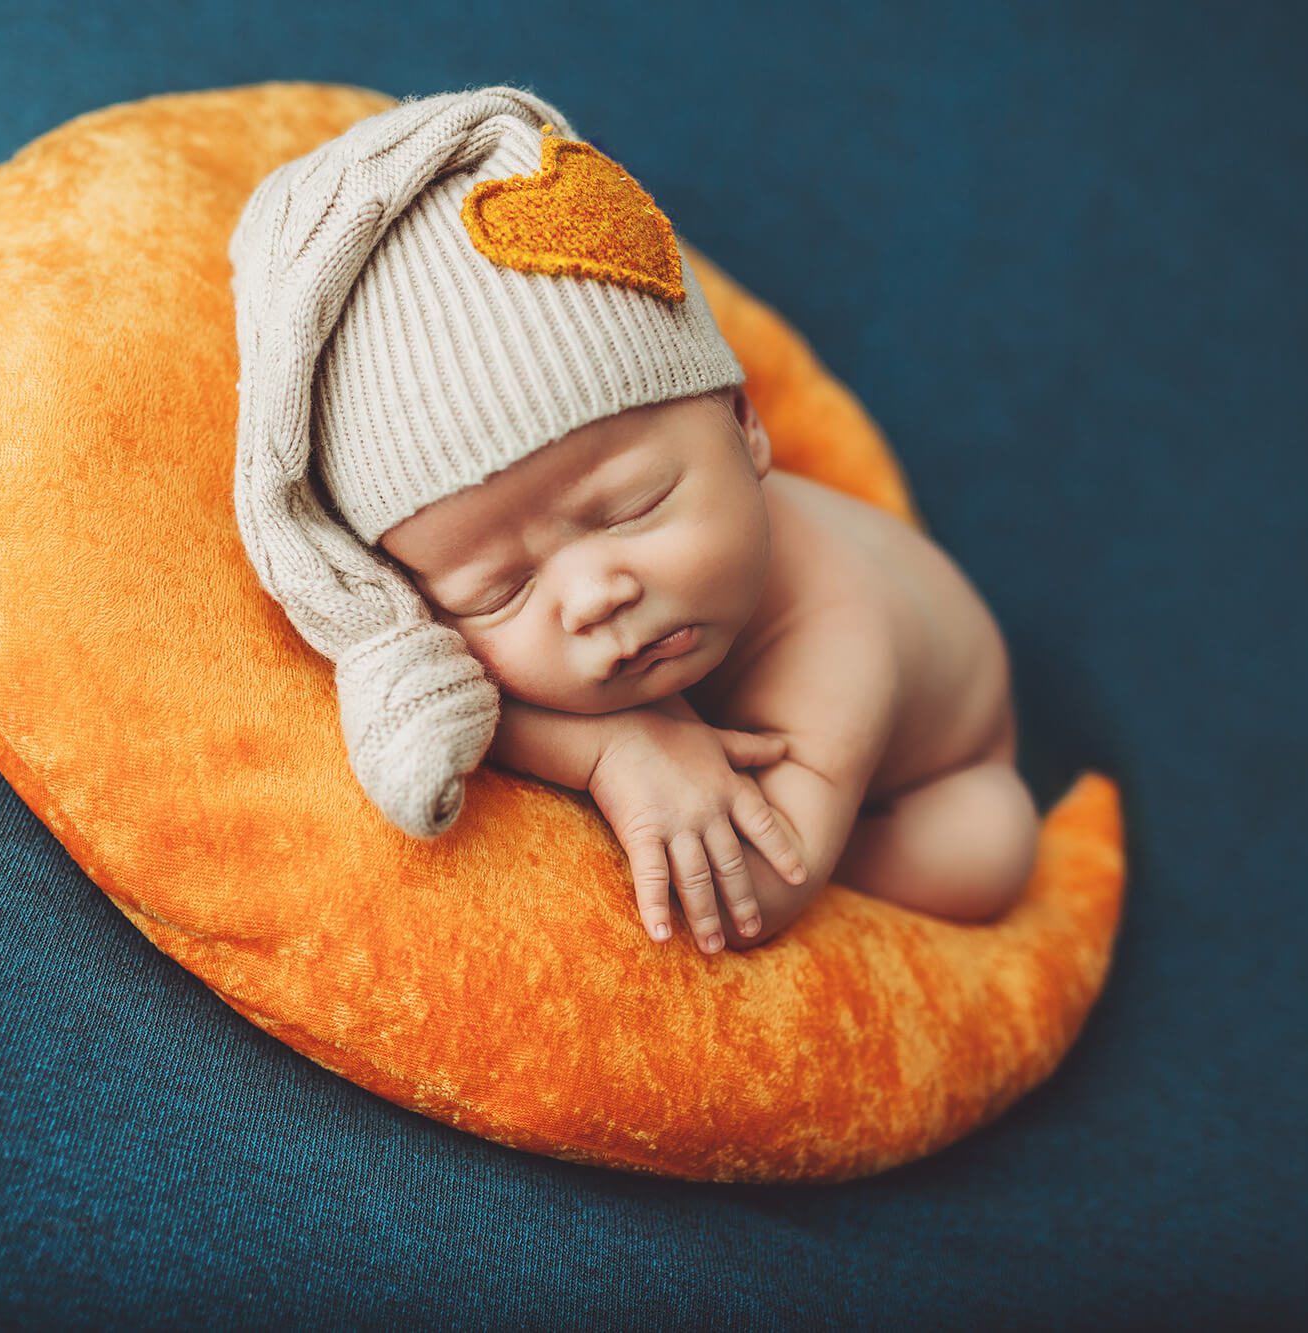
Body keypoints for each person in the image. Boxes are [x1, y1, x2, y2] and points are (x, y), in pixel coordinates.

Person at [232, 85, 1037, 953]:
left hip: (935, 768)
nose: (591, 598)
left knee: (987, 846)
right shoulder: (560, 602)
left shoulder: (837, 636)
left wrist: (622, 744)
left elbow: (760, 886)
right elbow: (450, 692)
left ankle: (865, 850)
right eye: (499, 590)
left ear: (744, 425)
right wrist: (612, 747)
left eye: (630, 509)